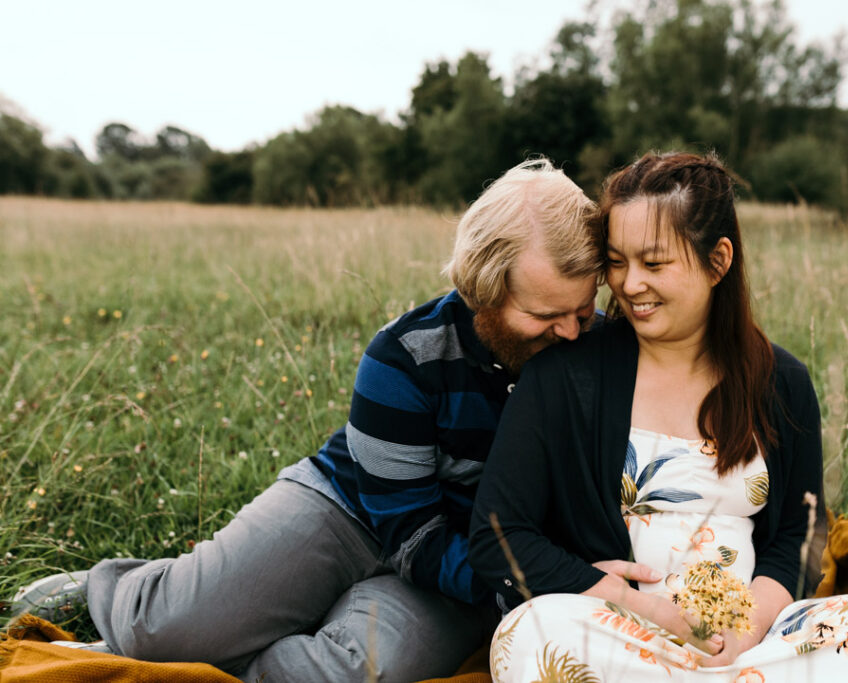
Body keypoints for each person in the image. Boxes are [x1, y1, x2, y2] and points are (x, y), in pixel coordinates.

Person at [9, 158, 603, 682]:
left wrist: (522, 581)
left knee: (365, 669)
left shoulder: (595, 356)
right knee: (161, 632)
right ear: (483, 291)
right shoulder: (404, 356)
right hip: (349, 510)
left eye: (584, 308)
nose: (573, 331)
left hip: (467, 561)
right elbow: (410, 533)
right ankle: (114, 594)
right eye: (546, 314)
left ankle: (226, 664)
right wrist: (529, 582)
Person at [468, 152, 848, 681]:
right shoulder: (564, 375)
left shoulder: (781, 382)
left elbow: (798, 536)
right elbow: (498, 533)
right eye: (617, 261)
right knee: (527, 635)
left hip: (753, 647)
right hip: (619, 633)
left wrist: (748, 631)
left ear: (718, 261)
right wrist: (640, 606)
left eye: (654, 263)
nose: (628, 285)